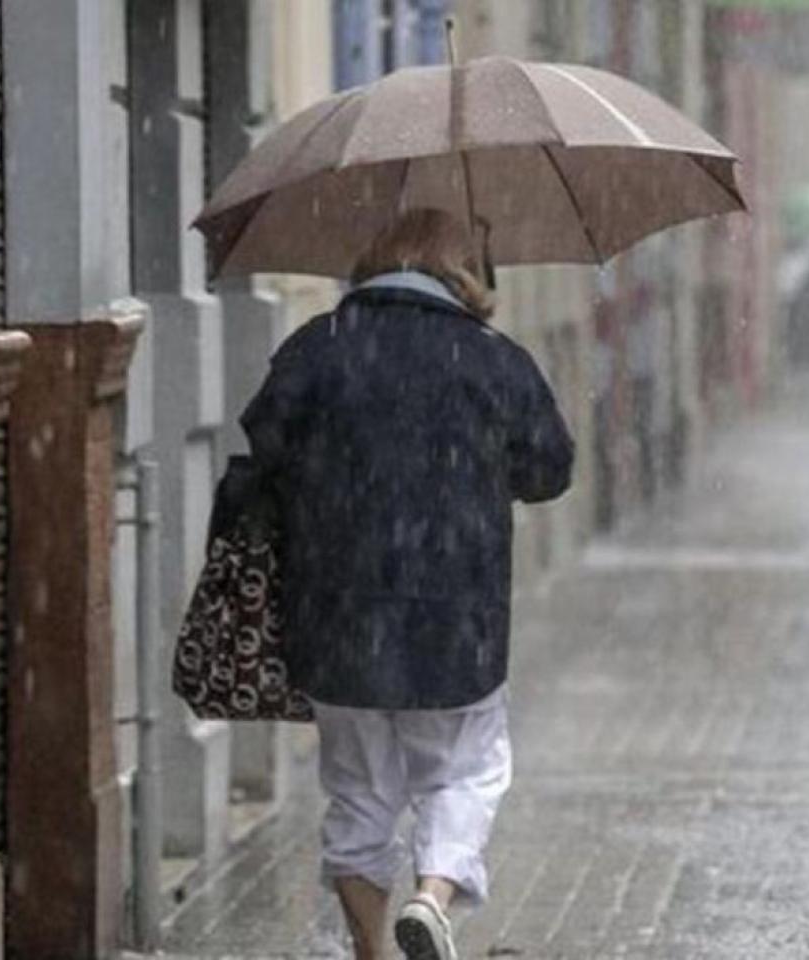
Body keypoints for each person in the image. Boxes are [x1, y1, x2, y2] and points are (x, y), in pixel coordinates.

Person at [240, 208, 574, 960]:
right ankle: (432, 896)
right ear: (462, 270)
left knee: (358, 793)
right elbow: (550, 469)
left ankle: (371, 953)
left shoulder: (317, 349)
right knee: (466, 771)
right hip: (455, 618)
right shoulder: (492, 358)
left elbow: (266, 449)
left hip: (336, 614)